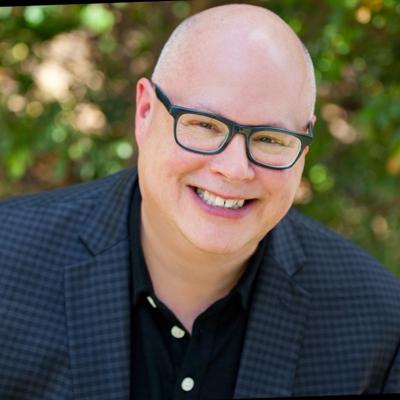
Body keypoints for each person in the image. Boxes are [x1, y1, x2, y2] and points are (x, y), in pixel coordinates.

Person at [0, 3, 399, 399]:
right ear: (145, 112)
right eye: (205, 126)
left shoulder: (379, 325)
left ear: (303, 147)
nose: (235, 169)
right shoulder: (7, 264)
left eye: (269, 139)